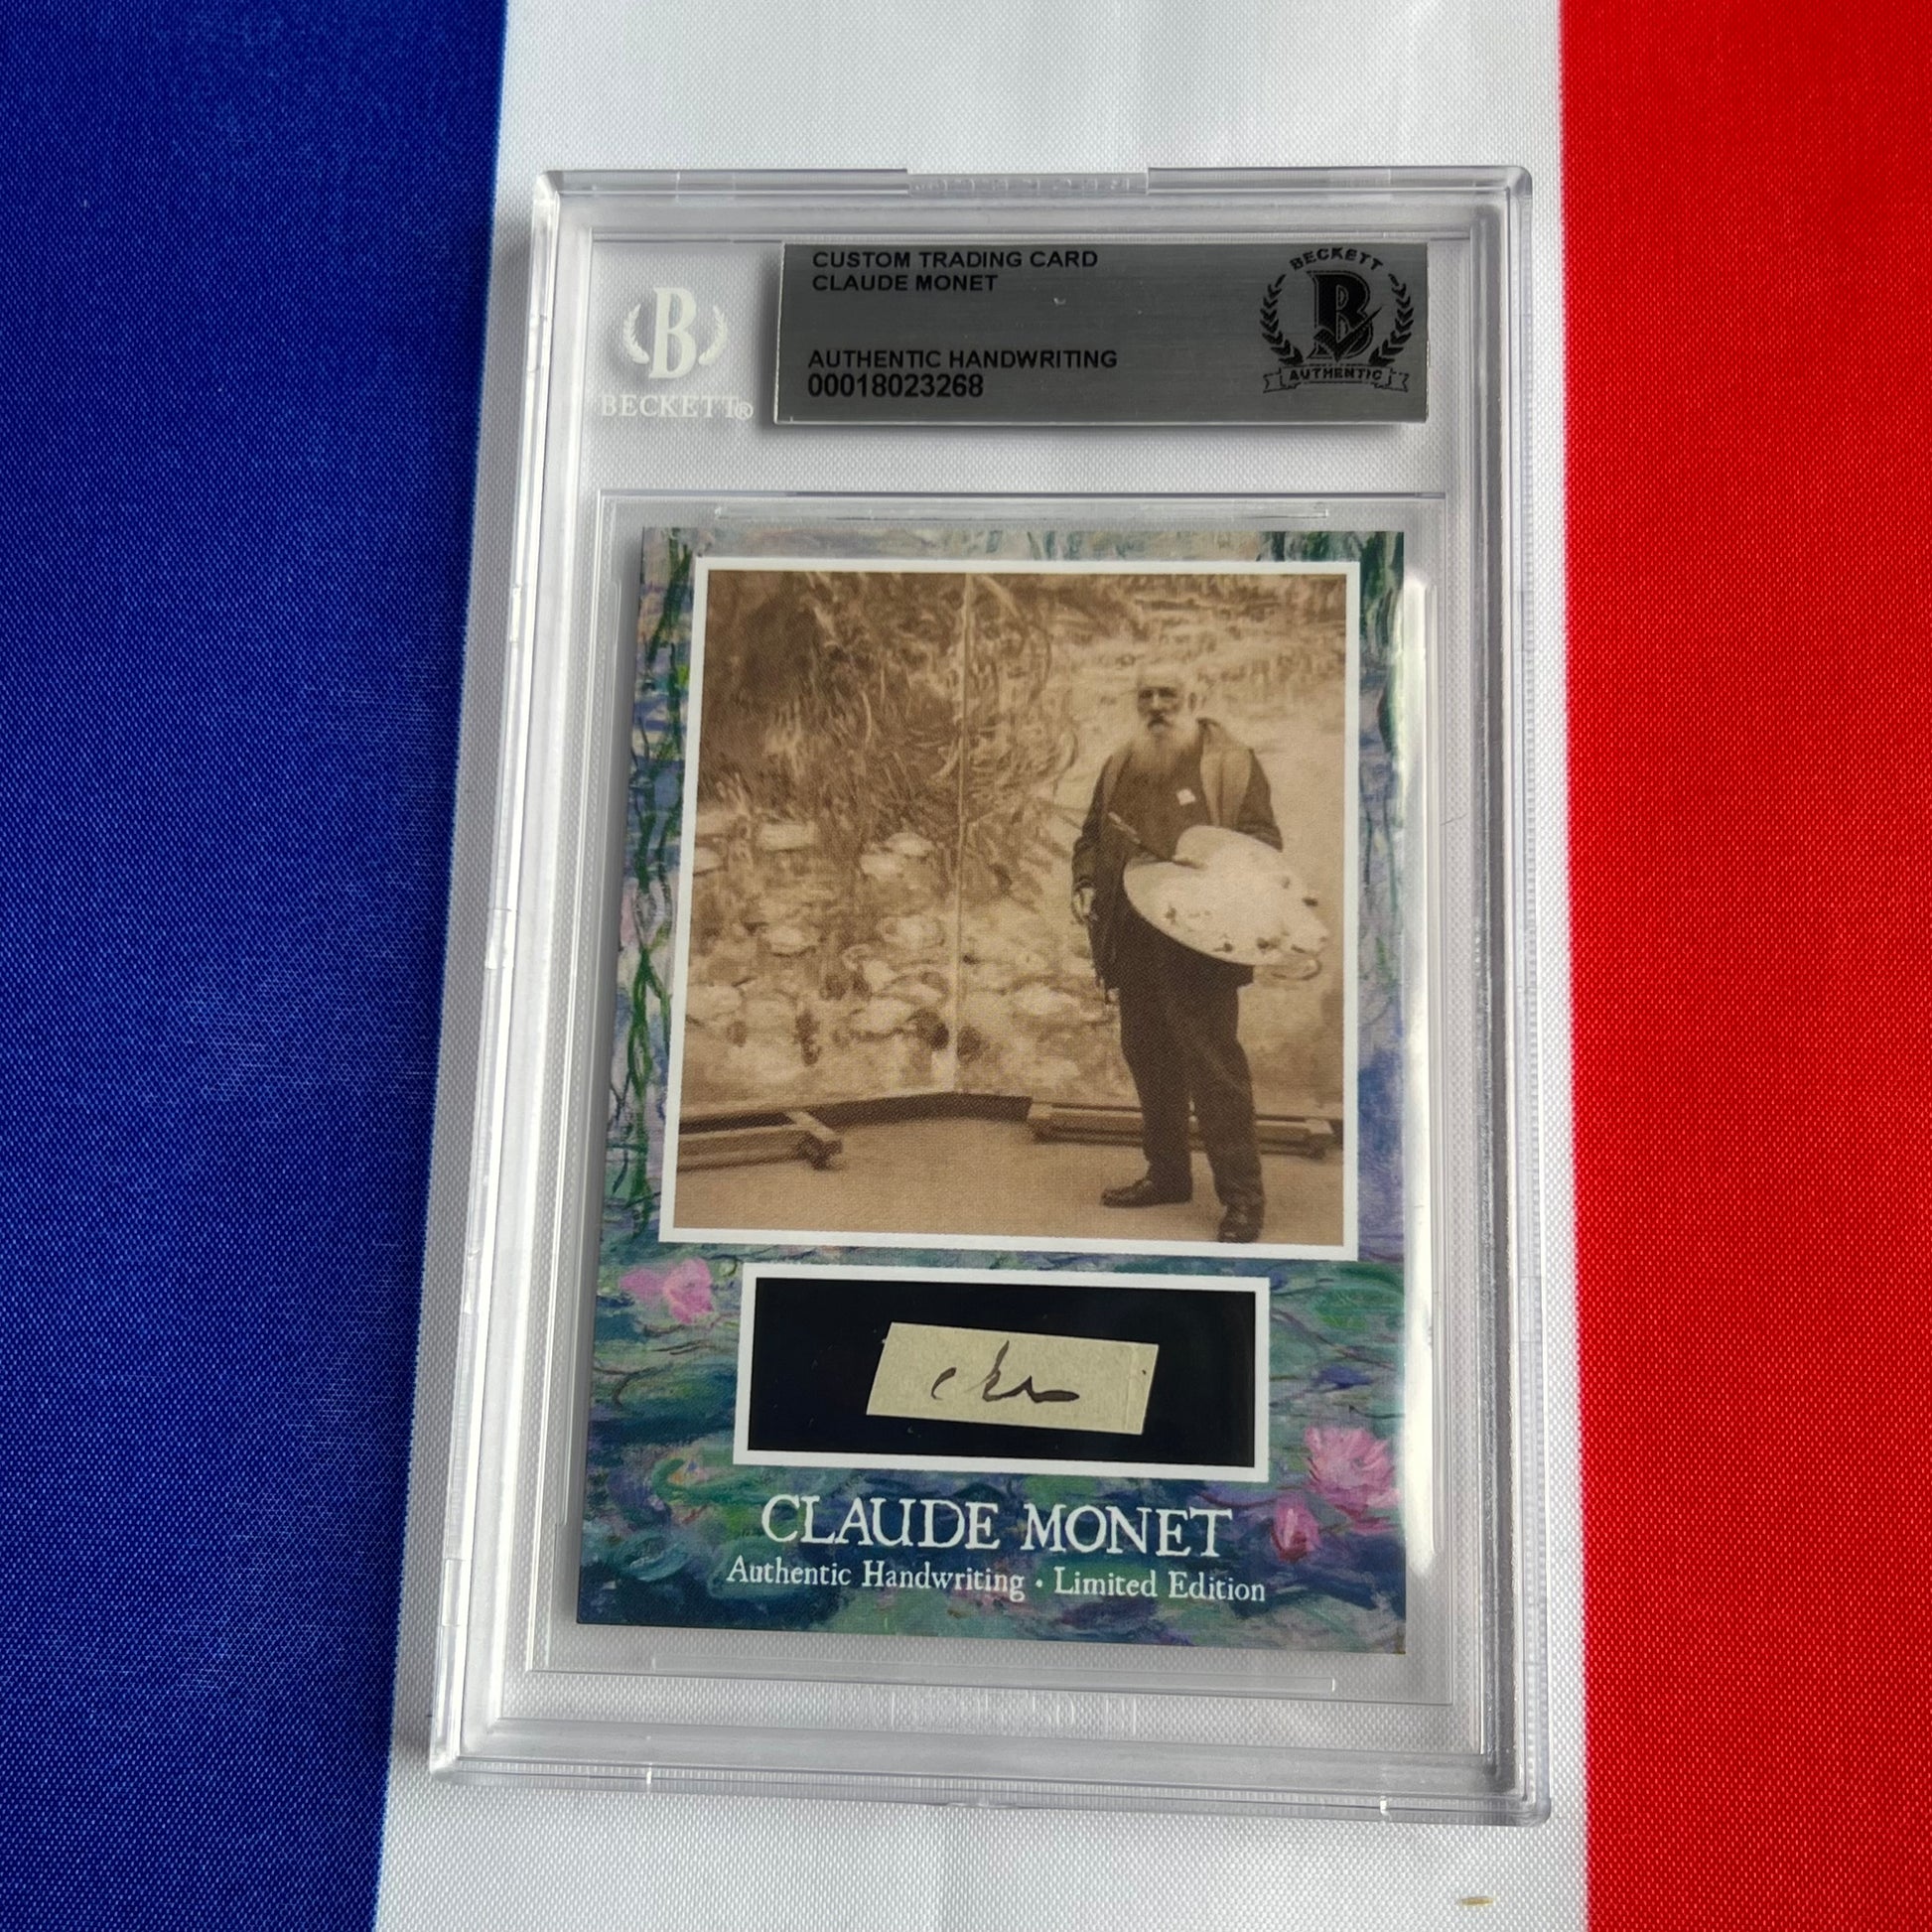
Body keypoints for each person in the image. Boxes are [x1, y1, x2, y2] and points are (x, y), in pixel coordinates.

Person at [1071, 660, 1282, 1242]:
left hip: (1200, 945)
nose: (1157, 706)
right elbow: (1091, 837)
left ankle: (1243, 1199)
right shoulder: (1122, 763)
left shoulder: (1229, 764)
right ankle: (1167, 1176)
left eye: (1168, 694)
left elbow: (1264, 843)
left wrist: (1212, 865)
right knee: (1149, 1059)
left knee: (1214, 1070)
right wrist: (1085, 882)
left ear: (1193, 697)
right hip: (1134, 939)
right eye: (1147, 696)